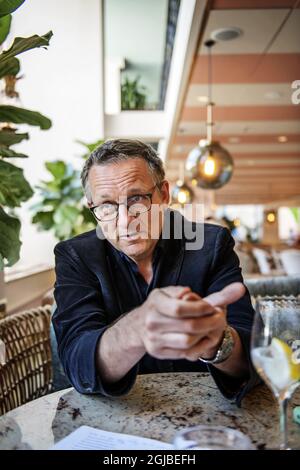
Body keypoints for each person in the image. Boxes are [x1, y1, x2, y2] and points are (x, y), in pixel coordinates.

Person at [52, 139, 259, 406]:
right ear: (92, 206)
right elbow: (76, 362)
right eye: (106, 206)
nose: (125, 221)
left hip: (205, 410)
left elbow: (252, 358)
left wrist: (217, 342)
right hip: (117, 415)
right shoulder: (75, 256)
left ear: (163, 194)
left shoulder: (211, 244)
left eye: (137, 199)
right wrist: (137, 327)